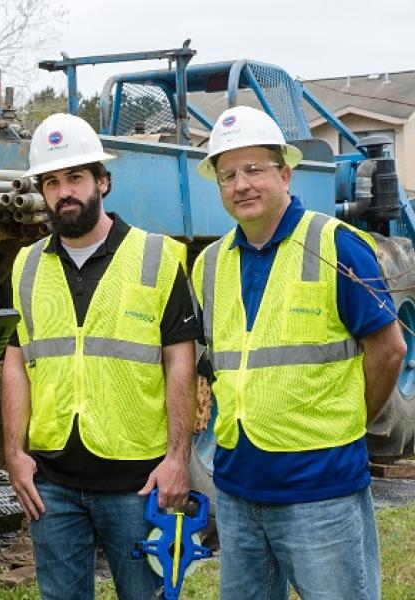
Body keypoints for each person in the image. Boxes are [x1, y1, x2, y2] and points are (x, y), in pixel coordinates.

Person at [191, 105, 406, 600]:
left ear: (284, 173)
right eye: (228, 175)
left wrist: (351, 420)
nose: (241, 184)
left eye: (254, 169)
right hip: (239, 489)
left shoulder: (335, 246)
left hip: (320, 489)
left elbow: (390, 349)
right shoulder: (210, 265)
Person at [2, 113, 198, 600]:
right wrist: (13, 454)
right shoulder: (26, 265)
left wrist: (178, 459)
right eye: (51, 181)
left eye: (75, 177)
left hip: (137, 482)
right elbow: (15, 362)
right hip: (52, 484)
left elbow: (181, 363)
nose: (64, 191)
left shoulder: (157, 256)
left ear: (102, 182)